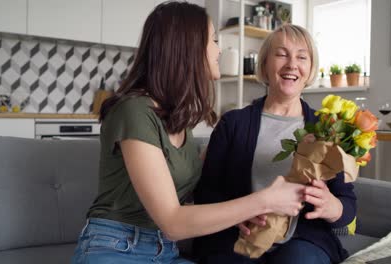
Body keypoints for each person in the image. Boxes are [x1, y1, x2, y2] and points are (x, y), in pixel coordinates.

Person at [71, 2, 306, 264]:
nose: (219, 50)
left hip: (165, 251)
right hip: (116, 248)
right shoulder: (134, 111)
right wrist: (265, 201)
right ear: (188, 47)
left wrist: (241, 213)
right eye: (214, 40)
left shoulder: (177, 119)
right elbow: (172, 221)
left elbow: (182, 209)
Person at [193, 24, 357, 264]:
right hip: (236, 236)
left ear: (310, 69)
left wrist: (331, 205)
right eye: (281, 54)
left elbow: (348, 205)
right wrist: (237, 215)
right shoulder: (233, 123)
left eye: (302, 57)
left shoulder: (327, 129)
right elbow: (206, 194)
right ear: (265, 65)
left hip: (304, 241)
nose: (292, 64)